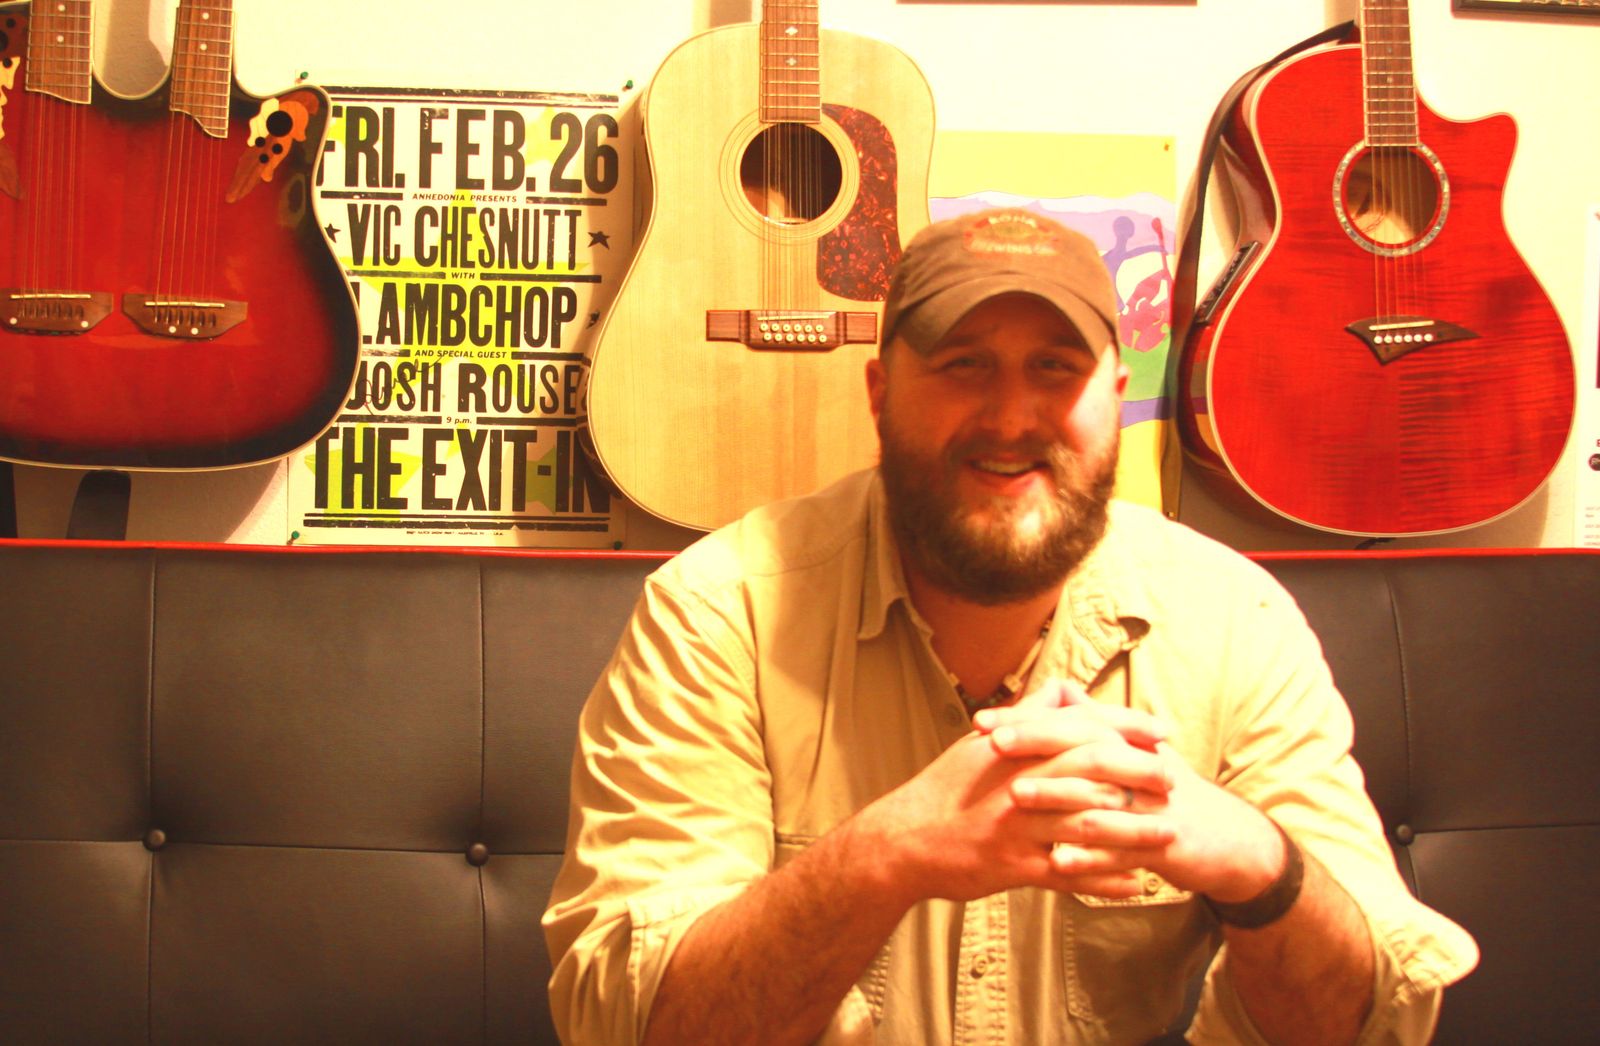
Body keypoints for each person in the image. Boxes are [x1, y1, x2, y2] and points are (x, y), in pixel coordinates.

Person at [543, 208, 1477, 1044]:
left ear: (1117, 392)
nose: (1010, 417)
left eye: (1055, 368)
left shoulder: (1234, 621)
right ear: (879, 391)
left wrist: (1265, 871)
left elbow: (1372, 1024)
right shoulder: (718, 615)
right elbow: (631, 1025)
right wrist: (883, 855)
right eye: (964, 365)